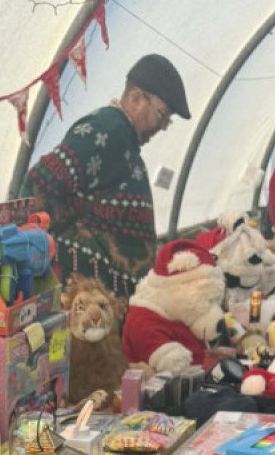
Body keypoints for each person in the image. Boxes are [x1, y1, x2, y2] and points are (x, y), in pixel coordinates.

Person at [22, 54, 190, 297]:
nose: (161, 127)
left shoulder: (123, 137)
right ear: (136, 98)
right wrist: (63, 250)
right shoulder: (109, 130)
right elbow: (37, 188)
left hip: (106, 296)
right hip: (91, 295)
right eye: (161, 115)